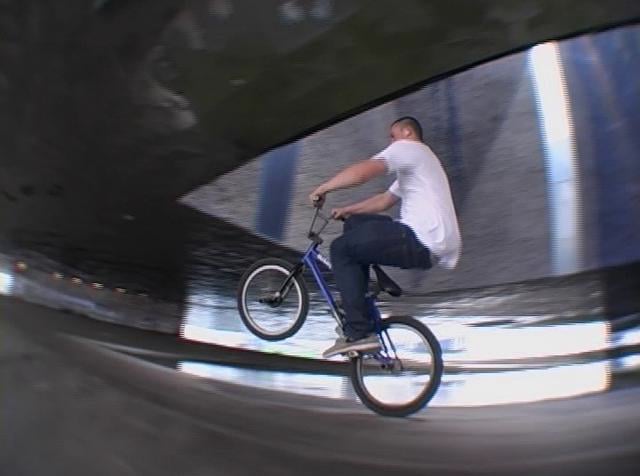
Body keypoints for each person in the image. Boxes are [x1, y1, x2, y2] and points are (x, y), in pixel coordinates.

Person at [309, 116, 462, 358]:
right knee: (355, 224)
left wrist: (324, 187)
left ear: (408, 132)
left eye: (392, 136)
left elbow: (363, 173)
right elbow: (384, 201)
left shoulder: (409, 149)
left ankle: (359, 332)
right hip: (427, 245)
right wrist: (348, 210)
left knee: (340, 249)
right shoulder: (422, 163)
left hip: (418, 238)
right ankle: (365, 294)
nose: (390, 142)